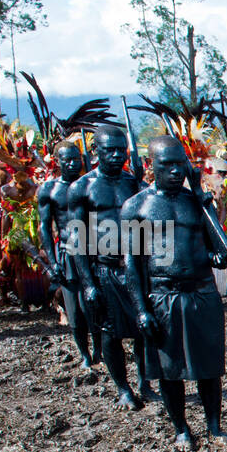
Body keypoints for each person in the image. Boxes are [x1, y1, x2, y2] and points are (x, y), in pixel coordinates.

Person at [123, 137, 227, 450]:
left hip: (201, 293)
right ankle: (181, 428)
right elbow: (132, 264)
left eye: (179, 165)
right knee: (169, 371)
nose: (174, 172)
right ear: (151, 166)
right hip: (162, 297)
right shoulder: (138, 207)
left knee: (210, 366)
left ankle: (214, 423)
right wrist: (141, 309)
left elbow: (224, 251)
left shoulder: (194, 202)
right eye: (166, 165)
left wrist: (202, 197)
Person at [68, 124, 150, 410]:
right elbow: (77, 237)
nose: (117, 155)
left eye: (121, 150)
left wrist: (142, 184)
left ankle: (145, 382)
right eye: (109, 150)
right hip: (105, 269)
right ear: (96, 152)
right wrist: (88, 283)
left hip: (136, 267)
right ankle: (123, 388)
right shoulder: (82, 187)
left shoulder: (132, 182)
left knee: (144, 328)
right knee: (109, 332)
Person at [36, 142, 95, 368]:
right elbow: (44, 227)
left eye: (76, 159)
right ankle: (85, 354)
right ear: (56, 162)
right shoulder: (49, 189)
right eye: (66, 160)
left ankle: (99, 348)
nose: (72, 164)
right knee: (75, 309)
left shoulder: (90, 185)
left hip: (94, 250)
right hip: (68, 252)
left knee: (94, 307)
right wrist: (52, 261)